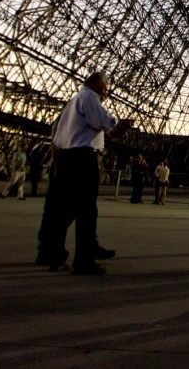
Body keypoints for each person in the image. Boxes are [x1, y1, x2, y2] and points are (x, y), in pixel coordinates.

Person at [37, 72, 133, 275]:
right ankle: (83, 261)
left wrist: (111, 132)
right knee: (86, 211)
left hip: (67, 158)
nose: (105, 94)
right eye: (105, 89)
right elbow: (100, 121)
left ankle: (53, 252)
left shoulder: (72, 103)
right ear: (96, 84)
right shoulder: (89, 96)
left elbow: (68, 134)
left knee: (64, 210)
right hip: (82, 159)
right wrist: (118, 123)